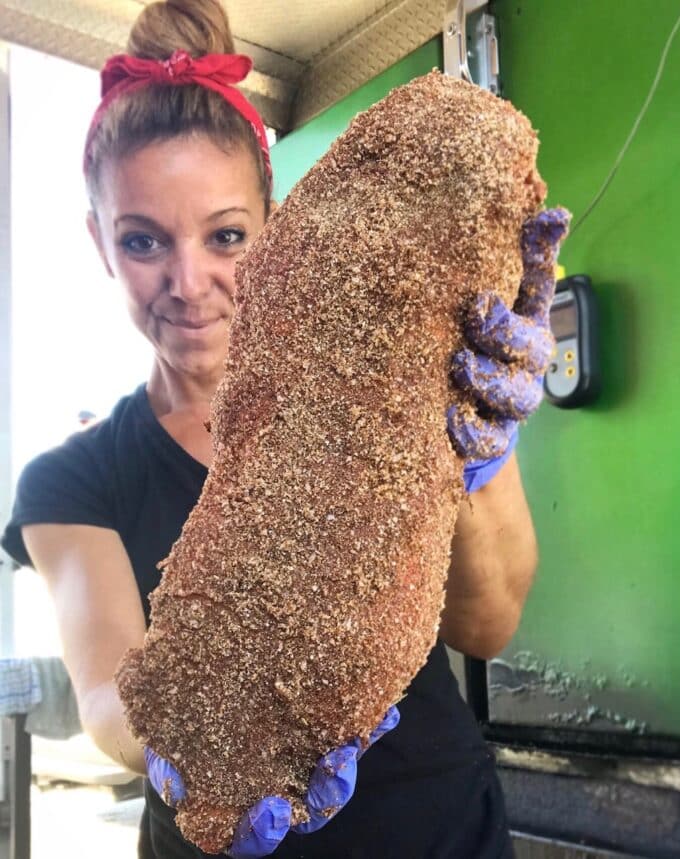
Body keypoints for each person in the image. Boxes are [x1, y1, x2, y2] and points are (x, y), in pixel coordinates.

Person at [1, 1, 567, 856]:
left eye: (226, 234)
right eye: (145, 240)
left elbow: (486, 629)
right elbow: (105, 696)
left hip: (439, 829)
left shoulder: (391, 387)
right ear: (100, 242)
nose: (190, 281)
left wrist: (472, 458)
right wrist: (176, 746)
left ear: (276, 225)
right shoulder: (72, 478)